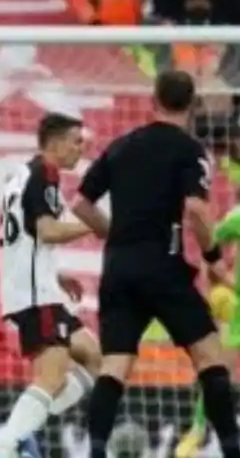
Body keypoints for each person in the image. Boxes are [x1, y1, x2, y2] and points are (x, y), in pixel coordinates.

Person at [71, 70, 240, 458]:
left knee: (115, 365)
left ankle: (95, 450)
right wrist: (213, 258)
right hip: (163, 268)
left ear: (154, 100)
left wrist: (112, 234)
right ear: (193, 104)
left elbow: (80, 204)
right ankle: (231, 448)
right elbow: (196, 210)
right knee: (210, 357)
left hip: (118, 269)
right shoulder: (191, 151)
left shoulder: (121, 146)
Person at [0, 113, 101, 458]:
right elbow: (49, 231)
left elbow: (25, 237)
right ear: (54, 143)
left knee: (93, 356)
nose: (80, 149)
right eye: (75, 141)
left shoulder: (23, 175)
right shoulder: (43, 175)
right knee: (53, 375)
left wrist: (56, 275)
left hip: (39, 289)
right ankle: (6, 447)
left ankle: (23, 431)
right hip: (34, 296)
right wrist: (95, 226)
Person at [177, 192, 240, 454]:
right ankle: (198, 429)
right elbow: (210, 248)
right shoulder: (237, 218)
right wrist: (224, 285)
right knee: (219, 372)